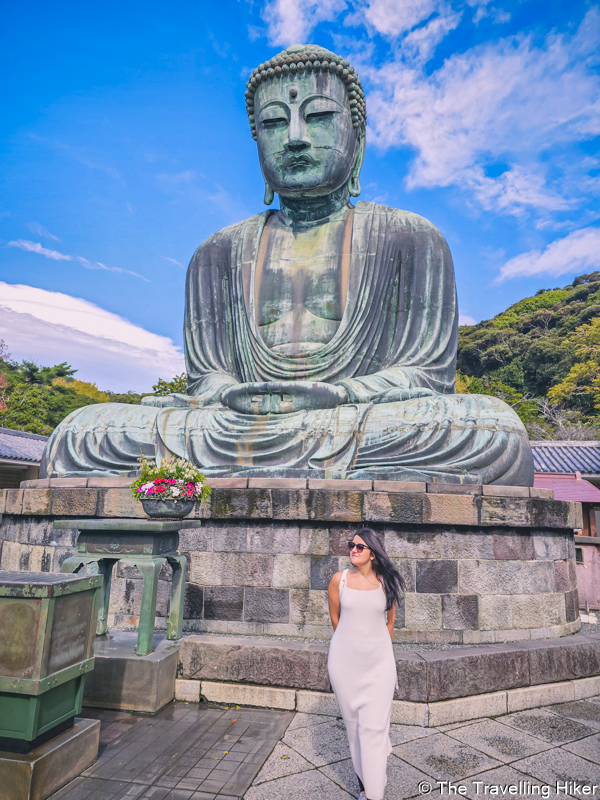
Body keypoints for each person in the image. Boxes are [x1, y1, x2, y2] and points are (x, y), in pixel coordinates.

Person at [40, 43, 533, 486]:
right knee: (82, 433)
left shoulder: (410, 237)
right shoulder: (218, 252)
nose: (294, 138)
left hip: (354, 419)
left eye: (317, 116)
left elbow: (424, 376)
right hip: (232, 426)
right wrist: (230, 394)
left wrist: (336, 395)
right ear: (257, 143)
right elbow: (207, 378)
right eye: (274, 123)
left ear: (356, 136)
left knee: (489, 430)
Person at [328, 528, 403, 800]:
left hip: (379, 666)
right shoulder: (339, 580)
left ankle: (372, 795)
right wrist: (350, 648)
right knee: (355, 730)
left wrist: (378, 653)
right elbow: (337, 620)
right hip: (344, 666)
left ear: (373, 553)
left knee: (372, 728)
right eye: (351, 545)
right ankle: (366, 784)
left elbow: (390, 625)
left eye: (360, 547)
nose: (353, 550)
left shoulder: (387, 583)